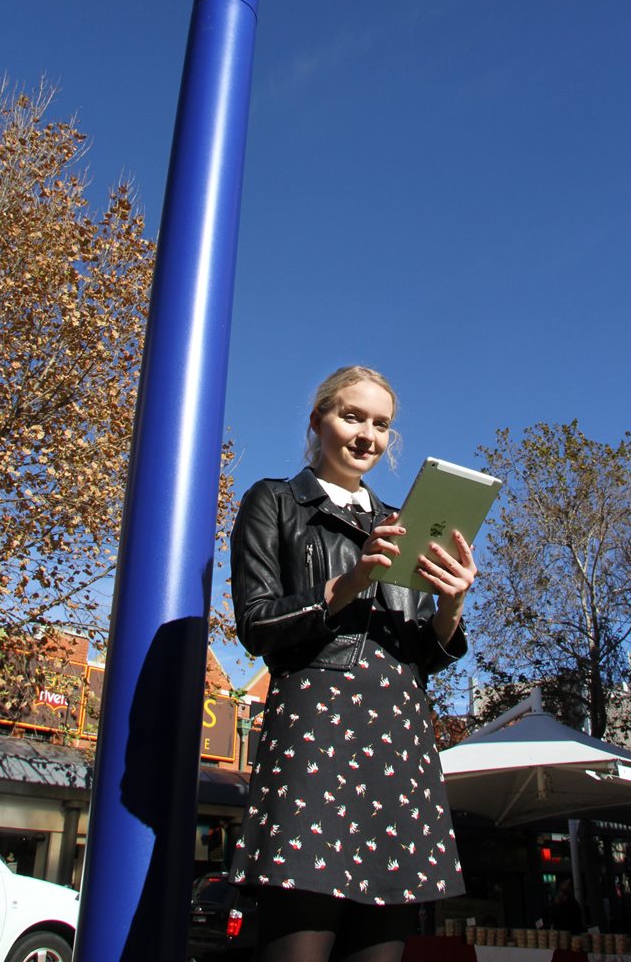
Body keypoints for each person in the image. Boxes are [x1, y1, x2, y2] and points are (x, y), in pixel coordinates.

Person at [229, 365, 477, 962]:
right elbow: (256, 625)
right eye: (352, 416)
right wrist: (350, 581)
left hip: (400, 735)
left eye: (381, 424)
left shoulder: (406, 521)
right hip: (316, 730)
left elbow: (425, 652)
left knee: (379, 949)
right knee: (298, 940)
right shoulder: (275, 502)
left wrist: (452, 605)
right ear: (318, 421)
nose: (367, 435)